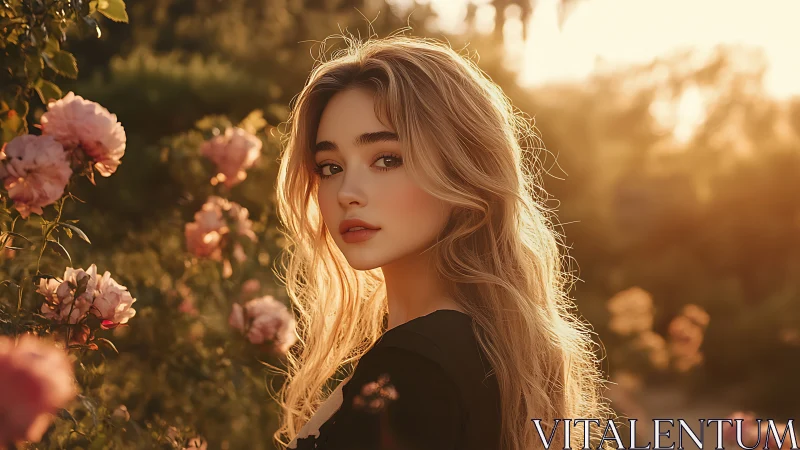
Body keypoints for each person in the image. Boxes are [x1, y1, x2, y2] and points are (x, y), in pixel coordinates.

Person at [272, 34, 611, 450]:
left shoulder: (415, 365)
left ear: (462, 170)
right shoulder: (487, 349)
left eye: (387, 159)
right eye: (330, 167)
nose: (347, 192)